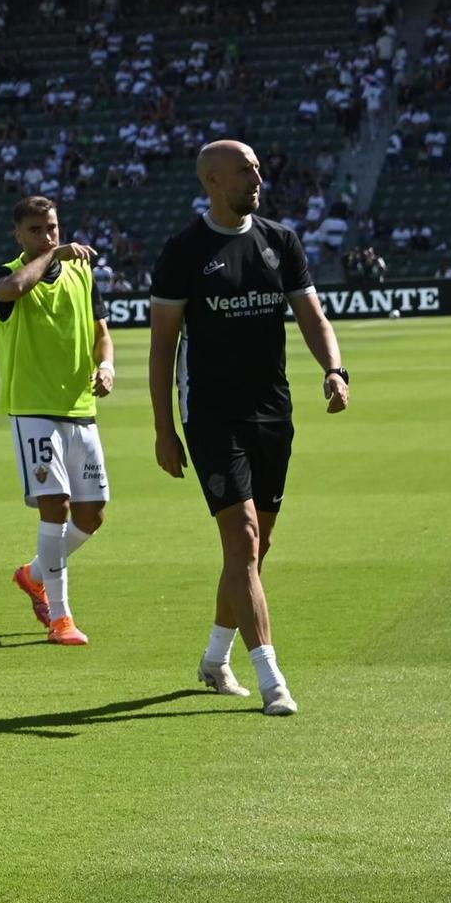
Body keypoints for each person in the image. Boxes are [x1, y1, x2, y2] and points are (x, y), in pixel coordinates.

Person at [149, 140, 349, 717]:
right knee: (241, 540)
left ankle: (214, 658)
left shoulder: (279, 240)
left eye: (259, 168)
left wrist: (334, 369)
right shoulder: (184, 251)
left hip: (273, 411)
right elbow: (163, 349)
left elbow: (313, 315)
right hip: (211, 414)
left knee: (255, 548)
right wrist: (165, 429)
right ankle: (271, 678)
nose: (257, 177)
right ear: (213, 181)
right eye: (244, 171)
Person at [0, 197, 113, 647]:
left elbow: (102, 335)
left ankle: (33, 574)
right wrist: (50, 257)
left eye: (53, 227)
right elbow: (11, 291)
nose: (49, 235)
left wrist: (107, 367)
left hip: (81, 407)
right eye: (37, 229)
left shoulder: (83, 273)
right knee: (55, 506)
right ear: (19, 235)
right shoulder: (5, 273)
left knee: (93, 514)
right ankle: (61, 618)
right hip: (33, 408)